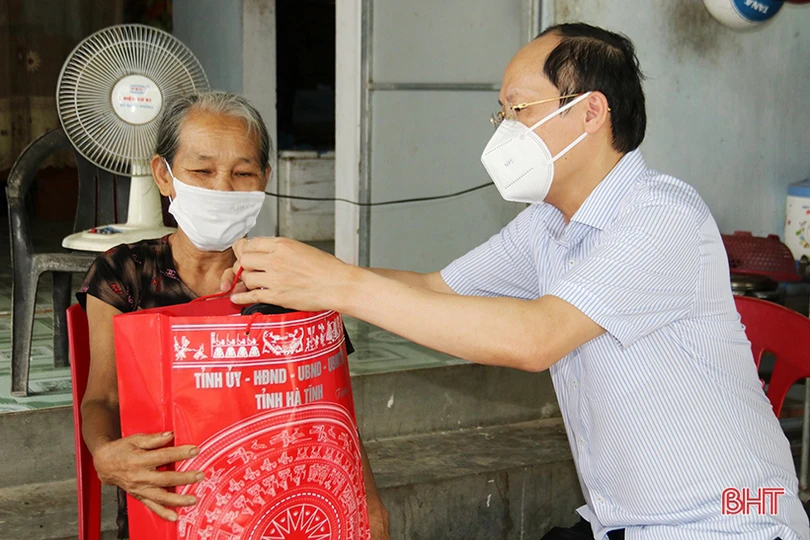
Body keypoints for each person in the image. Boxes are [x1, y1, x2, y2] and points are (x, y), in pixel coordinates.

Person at [223, 23, 810, 540]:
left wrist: (341, 287)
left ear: (590, 112)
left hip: (726, 520)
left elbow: (536, 338)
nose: (505, 129)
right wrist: (302, 273)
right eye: (501, 113)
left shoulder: (661, 216)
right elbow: (438, 289)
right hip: (622, 521)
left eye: (520, 109)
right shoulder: (546, 226)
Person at [78, 91, 389, 539]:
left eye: (242, 173)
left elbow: (332, 410)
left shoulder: (294, 277)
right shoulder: (123, 271)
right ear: (164, 175)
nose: (222, 188)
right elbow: (101, 399)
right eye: (201, 170)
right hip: (172, 505)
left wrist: (370, 505)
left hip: (282, 506)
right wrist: (105, 454)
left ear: (264, 178)